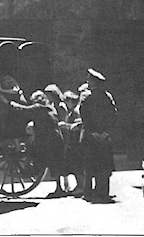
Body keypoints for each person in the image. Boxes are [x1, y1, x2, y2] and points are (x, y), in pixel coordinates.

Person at [79, 68, 117, 203]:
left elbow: (84, 115)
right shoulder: (107, 96)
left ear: (93, 82)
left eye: (89, 79)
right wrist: (106, 132)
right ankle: (103, 193)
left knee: (89, 165)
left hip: (90, 136)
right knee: (104, 166)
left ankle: (88, 193)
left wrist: (93, 131)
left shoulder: (85, 96)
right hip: (104, 137)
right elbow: (113, 115)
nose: (87, 81)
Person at [58, 90, 84, 196]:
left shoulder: (76, 111)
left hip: (76, 142)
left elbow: (78, 126)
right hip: (73, 142)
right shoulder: (72, 111)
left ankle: (81, 186)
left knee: (78, 166)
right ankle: (80, 186)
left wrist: (66, 125)